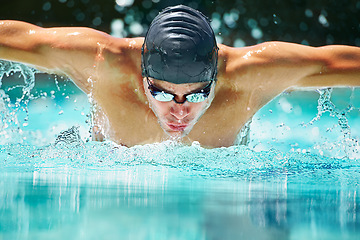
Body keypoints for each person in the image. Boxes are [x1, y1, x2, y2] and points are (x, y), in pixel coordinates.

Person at [0, 5, 359, 148]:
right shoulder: (103, 63)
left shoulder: (250, 74)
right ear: (142, 78)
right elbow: (15, 39)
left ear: (217, 79)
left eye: (198, 95)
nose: (179, 112)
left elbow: (333, 64)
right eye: (163, 94)